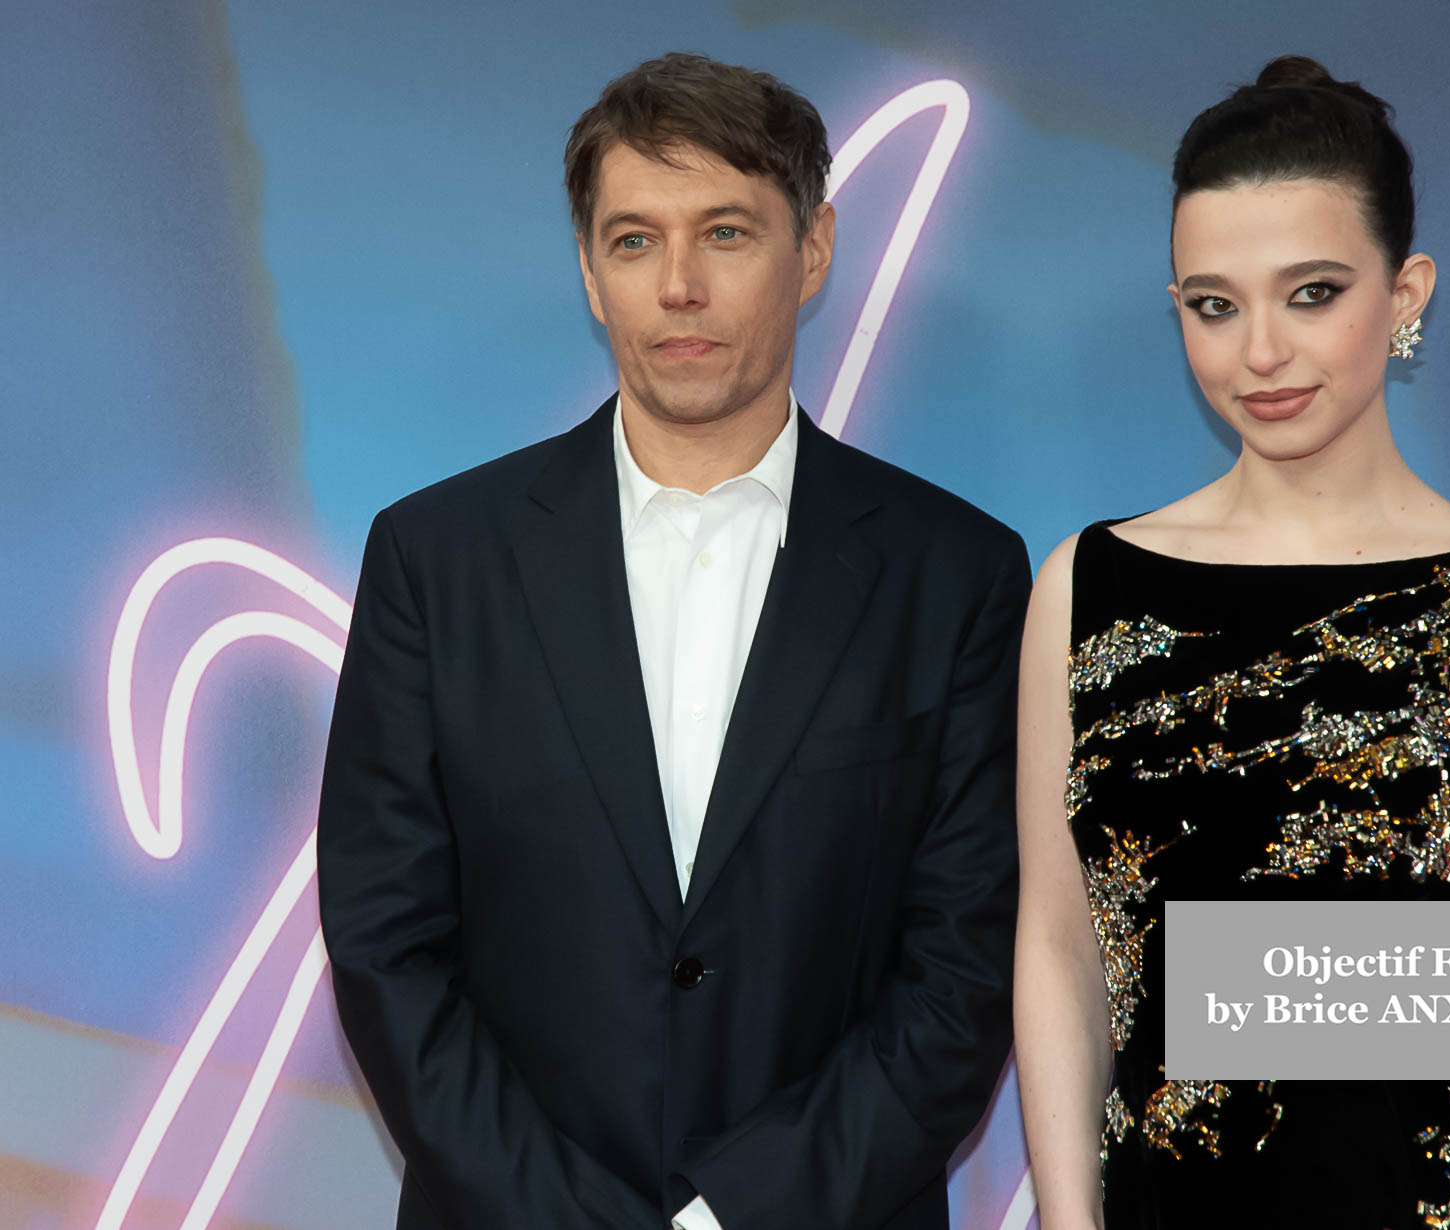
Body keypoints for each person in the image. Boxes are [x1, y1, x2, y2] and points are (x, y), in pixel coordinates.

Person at [317, 52, 1030, 1230]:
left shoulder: (955, 574)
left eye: (726, 234)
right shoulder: (436, 560)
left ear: (814, 250)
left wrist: (730, 1217)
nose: (679, 287)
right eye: (634, 240)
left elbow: (967, 966)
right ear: (591, 274)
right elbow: (385, 941)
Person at [1013, 55, 1450, 1229]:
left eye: (1311, 293)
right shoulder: (1084, 587)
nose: (1260, 352)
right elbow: (1059, 946)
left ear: (1406, 293)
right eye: (1214, 304)